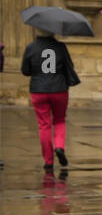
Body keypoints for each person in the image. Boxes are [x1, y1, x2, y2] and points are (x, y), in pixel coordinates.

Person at [21, 30, 79, 173]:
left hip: (38, 90)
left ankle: (48, 161)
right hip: (59, 89)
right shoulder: (61, 47)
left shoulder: (30, 47)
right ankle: (59, 147)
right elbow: (69, 66)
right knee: (59, 120)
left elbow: (25, 71)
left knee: (44, 125)